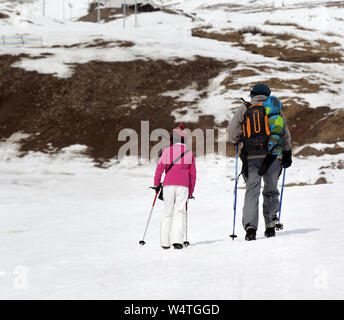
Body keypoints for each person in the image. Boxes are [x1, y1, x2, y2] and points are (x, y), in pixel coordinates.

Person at [229, 84, 292, 241]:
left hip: (252, 157)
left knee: (252, 191)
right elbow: (284, 133)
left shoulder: (244, 108)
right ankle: (270, 224)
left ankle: (250, 227)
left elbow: (232, 135)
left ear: (252, 94)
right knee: (271, 190)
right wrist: (287, 152)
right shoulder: (274, 108)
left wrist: (240, 140)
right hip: (274, 156)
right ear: (268, 94)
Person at [153, 123, 196, 250]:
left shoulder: (166, 151)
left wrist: (156, 185)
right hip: (183, 187)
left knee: (167, 213)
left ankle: (165, 242)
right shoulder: (189, 153)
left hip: (168, 186)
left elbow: (159, 170)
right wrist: (190, 191)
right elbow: (193, 175)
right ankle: (177, 241)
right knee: (180, 212)